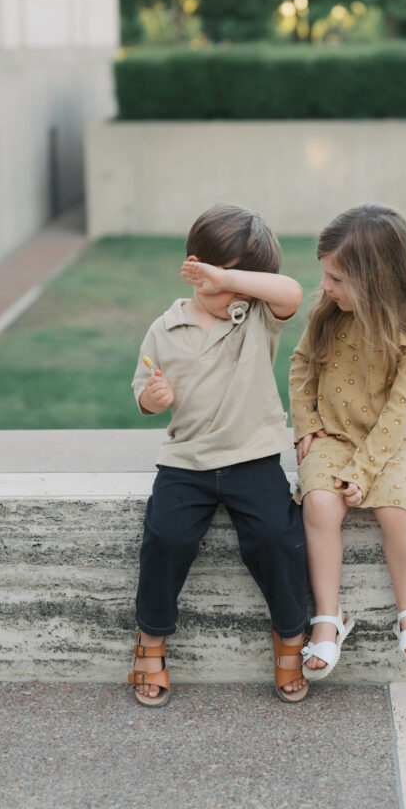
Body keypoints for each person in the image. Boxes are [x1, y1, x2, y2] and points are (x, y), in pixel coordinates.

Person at [128, 204, 309, 706]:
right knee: (164, 537)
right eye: (228, 278)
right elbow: (143, 389)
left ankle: (291, 634)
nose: (240, 290)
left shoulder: (254, 316)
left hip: (252, 455)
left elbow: (291, 292)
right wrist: (153, 398)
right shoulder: (164, 329)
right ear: (194, 267)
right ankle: (152, 639)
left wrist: (230, 280)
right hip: (186, 460)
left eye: (247, 280)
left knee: (276, 537)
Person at [288, 204, 406, 680]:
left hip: (391, 442)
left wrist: (361, 473)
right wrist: (306, 425)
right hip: (335, 436)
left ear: (376, 278)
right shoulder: (331, 313)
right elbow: (302, 365)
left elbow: (399, 415)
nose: (325, 287)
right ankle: (328, 617)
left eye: (336, 278)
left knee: (397, 509)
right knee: (319, 505)